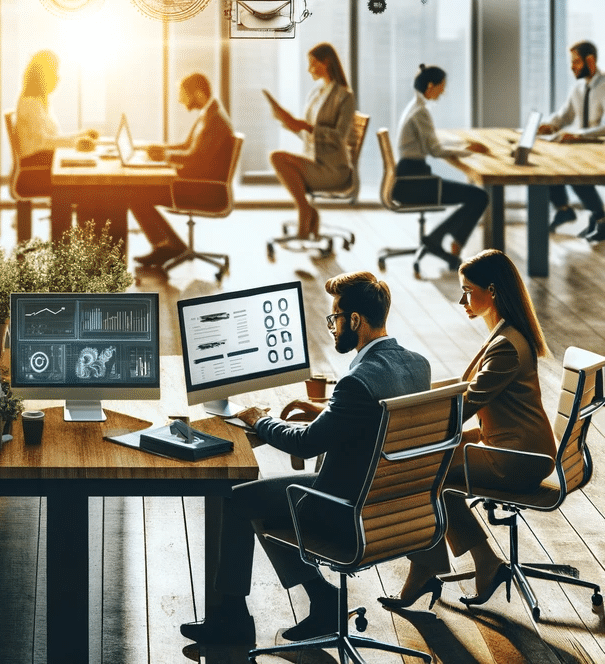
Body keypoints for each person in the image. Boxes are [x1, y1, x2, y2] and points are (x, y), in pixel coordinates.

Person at [180, 272, 431, 646]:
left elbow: (307, 444)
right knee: (269, 499)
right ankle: (321, 598)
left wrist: (260, 420)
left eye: (334, 319)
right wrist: (325, 411)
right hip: (392, 505)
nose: (332, 327)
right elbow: (365, 424)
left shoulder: (357, 381)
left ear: (355, 321)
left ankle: (232, 619)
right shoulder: (417, 365)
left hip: (347, 508)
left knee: (240, 498)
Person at [379, 249, 555, 611]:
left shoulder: (506, 346)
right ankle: (465, 563)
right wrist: (412, 396)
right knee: (430, 467)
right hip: (514, 444)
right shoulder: (506, 333)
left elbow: (465, 405)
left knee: (428, 475)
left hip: (517, 457)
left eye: (467, 290)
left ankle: (440, 568)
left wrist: (407, 421)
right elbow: (463, 388)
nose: (462, 299)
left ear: (491, 290)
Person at [130, 72, 235, 268]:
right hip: (197, 184)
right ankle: (170, 246)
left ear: (198, 94)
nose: (180, 100)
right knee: (137, 192)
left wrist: (166, 157)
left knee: (136, 194)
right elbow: (188, 147)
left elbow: (198, 160)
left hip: (206, 191)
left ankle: (167, 246)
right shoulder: (209, 113)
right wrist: (163, 149)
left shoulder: (215, 121)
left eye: (183, 94)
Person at [393, 63, 490, 270]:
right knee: (480, 196)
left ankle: (442, 239)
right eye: (441, 86)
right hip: (415, 183)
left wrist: (464, 146)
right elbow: (436, 151)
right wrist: (469, 150)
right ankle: (439, 239)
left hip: (409, 177)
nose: (443, 92)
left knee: (475, 196)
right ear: (431, 86)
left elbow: (433, 144)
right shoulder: (421, 112)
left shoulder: (415, 107)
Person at [265, 43, 356, 239]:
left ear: (327, 62)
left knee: (277, 158)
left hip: (333, 169)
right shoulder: (316, 94)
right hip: (314, 160)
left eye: (313, 63)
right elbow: (310, 134)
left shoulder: (344, 97)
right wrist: (290, 123)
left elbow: (339, 135)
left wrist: (306, 127)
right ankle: (307, 209)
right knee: (278, 158)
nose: (309, 69)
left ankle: (305, 211)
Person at [14, 50, 98, 237]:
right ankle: (80, 240)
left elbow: (53, 138)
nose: (58, 78)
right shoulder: (30, 103)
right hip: (36, 168)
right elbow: (45, 142)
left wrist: (80, 135)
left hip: (44, 161)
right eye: (55, 73)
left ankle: (86, 239)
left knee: (89, 178)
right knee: (89, 185)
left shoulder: (40, 101)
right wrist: (77, 143)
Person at [537, 40, 605, 240]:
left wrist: (579, 135)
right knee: (548, 160)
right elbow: (564, 115)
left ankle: (599, 217)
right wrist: (549, 125)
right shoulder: (578, 89)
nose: (572, 66)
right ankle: (564, 208)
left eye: (576, 62)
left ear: (590, 61)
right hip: (582, 148)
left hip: (598, 148)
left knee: (573, 172)